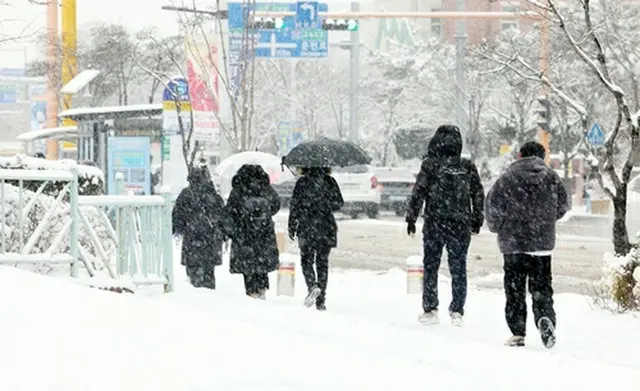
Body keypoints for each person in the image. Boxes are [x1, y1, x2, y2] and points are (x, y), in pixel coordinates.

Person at [485, 141, 569, 349]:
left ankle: (517, 331)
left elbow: (493, 205)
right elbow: (563, 204)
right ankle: (544, 318)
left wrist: (498, 226)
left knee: (514, 289)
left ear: (520, 155)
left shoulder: (508, 178)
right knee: (542, 287)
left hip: (513, 243)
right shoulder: (551, 177)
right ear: (542, 156)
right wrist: (547, 220)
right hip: (542, 244)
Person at [405, 124, 485, 327]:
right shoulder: (467, 166)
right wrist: (477, 218)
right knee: (458, 267)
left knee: (431, 265)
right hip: (460, 224)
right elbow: (477, 193)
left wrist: (411, 218)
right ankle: (457, 309)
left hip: (435, 223)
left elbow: (419, 192)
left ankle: (430, 308)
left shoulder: (430, 165)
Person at [288, 167, 344, 311]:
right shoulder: (330, 181)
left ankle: (312, 285)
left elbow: (294, 206)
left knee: (306, 260)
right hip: (326, 226)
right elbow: (339, 203)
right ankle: (321, 300)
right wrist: (325, 204)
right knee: (322, 263)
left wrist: (292, 226)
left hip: (307, 226)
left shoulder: (302, 183)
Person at [225, 164, 281, 299]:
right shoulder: (266, 188)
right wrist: (264, 216)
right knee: (262, 265)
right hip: (264, 234)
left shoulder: (238, 190)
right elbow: (276, 205)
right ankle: (262, 289)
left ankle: (251, 292)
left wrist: (232, 230)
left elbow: (229, 212)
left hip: (244, 234)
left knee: (248, 266)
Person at [172, 165, 226, 289]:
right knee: (208, 272)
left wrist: (178, 229)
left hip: (191, 240)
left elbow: (177, 217)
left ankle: (196, 291)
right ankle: (208, 293)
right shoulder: (213, 195)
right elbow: (222, 216)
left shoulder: (185, 194)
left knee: (193, 271)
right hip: (209, 241)